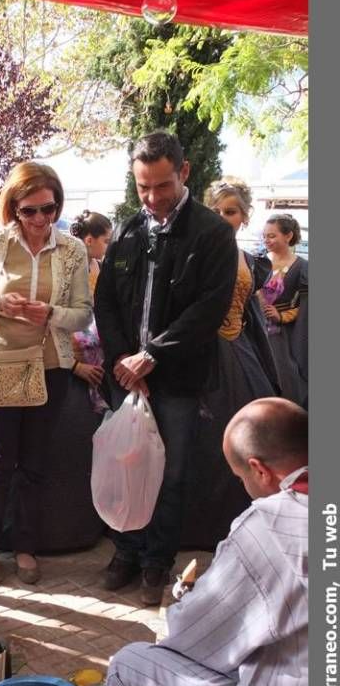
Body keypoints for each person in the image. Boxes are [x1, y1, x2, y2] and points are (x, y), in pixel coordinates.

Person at [106, 398, 308, 686]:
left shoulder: (271, 524)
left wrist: (182, 602)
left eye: (240, 477)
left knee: (130, 666)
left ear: (259, 470)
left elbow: (194, 638)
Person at [94, 131, 237, 605]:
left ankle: (157, 563)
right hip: (125, 378)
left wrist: (152, 357)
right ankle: (126, 552)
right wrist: (122, 361)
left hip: (175, 380)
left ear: (184, 173)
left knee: (169, 474)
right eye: (143, 188)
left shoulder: (212, 234)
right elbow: (107, 303)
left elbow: (206, 310)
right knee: (126, 465)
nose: (153, 198)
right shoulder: (129, 231)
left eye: (162, 186)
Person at [0, 162, 92, 585]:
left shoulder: (73, 249)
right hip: (1, 358)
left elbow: (82, 315)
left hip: (51, 362)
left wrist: (51, 313)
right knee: (0, 458)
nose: (40, 220)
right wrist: (0, 304)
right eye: (30, 211)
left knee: (35, 461)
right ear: (13, 208)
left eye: (48, 209)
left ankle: (25, 545)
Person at [180, 178, 279, 549]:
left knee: (253, 439)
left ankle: (246, 522)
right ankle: (202, 528)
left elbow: (250, 309)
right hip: (206, 355)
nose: (223, 217)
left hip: (241, 353)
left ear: (244, 216)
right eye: (217, 211)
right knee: (206, 443)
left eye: (231, 211)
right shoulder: (197, 251)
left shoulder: (249, 259)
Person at [259, 213, 308, 407]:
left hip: (285, 335)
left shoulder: (303, 267)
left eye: (272, 236)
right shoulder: (258, 262)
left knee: (286, 378)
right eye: (265, 236)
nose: (267, 240)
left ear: (288, 236)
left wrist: (281, 316)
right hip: (258, 329)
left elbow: (306, 306)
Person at [70, 211, 112, 413]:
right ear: (88, 240)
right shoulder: (67, 268)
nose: (108, 246)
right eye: (106, 240)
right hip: (73, 344)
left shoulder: (98, 265)